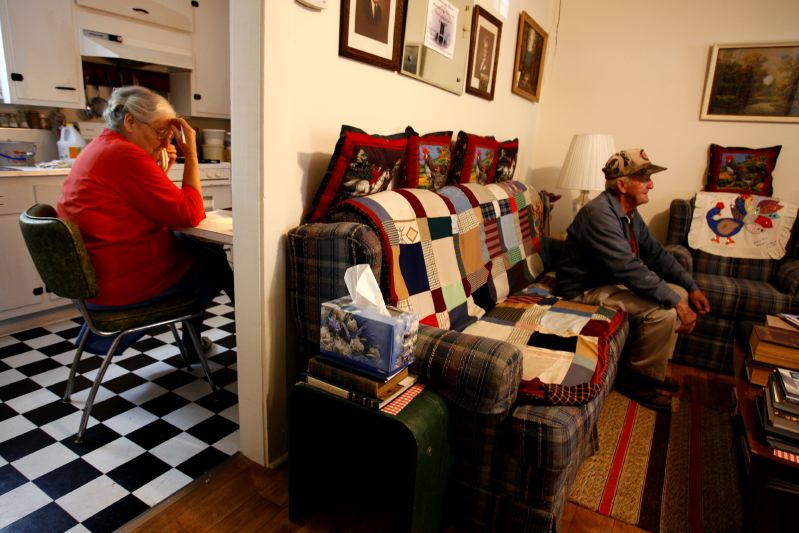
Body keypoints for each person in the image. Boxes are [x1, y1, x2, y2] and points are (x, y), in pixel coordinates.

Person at [57, 86, 234, 359]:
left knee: (201, 249)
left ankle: (196, 344)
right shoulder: (124, 155)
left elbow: (143, 205)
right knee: (213, 261)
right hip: (120, 286)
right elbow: (189, 214)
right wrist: (191, 156)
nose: (164, 143)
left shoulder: (102, 146)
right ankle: (248, 341)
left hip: (96, 277)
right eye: (161, 131)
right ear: (130, 122)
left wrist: (158, 170)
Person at [555, 148, 710, 411]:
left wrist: (691, 287)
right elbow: (628, 268)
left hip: (607, 282)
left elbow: (656, 254)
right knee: (664, 312)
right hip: (582, 290)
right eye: (644, 178)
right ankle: (637, 380)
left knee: (680, 294)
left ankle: (653, 372)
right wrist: (677, 303)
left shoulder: (628, 213)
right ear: (622, 185)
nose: (651, 184)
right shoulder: (599, 214)